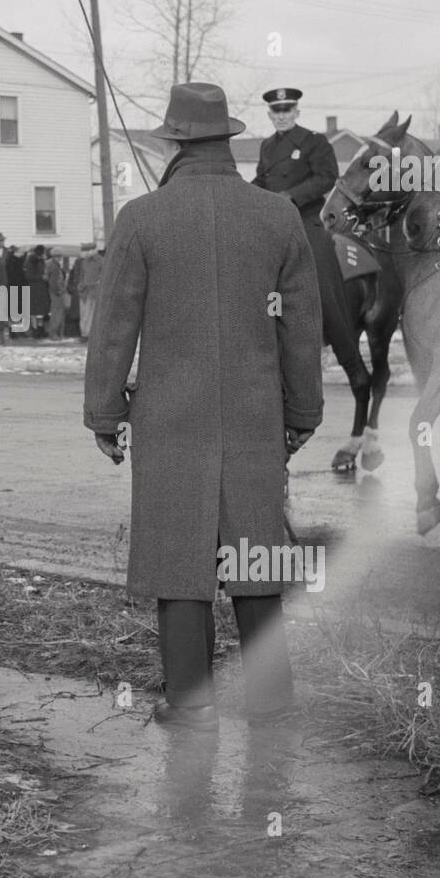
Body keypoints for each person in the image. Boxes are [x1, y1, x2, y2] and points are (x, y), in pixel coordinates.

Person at [85, 82, 323, 728]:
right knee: (256, 553)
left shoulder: (142, 217)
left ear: (175, 142)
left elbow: (114, 329)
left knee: (177, 554)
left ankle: (190, 700)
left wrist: (105, 414)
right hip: (253, 413)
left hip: (169, 413)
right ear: (228, 138)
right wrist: (302, 413)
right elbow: (301, 326)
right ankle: (271, 700)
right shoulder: (276, 215)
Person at [253, 86, 370, 402]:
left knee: (323, 284)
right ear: (269, 115)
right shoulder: (266, 147)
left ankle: (349, 358)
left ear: (296, 112)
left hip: (306, 222)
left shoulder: (314, 142)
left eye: (287, 110)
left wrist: (291, 196)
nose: (282, 116)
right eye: (276, 112)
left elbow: (326, 177)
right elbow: (261, 182)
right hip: (274, 224)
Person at [77, 242, 104, 340]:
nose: (85, 253)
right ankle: (84, 334)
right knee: (84, 314)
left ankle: (91, 335)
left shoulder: (101, 261)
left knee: (93, 314)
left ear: (93, 250)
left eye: (87, 251)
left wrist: (97, 284)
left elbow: (104, 276)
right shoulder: (85, 262)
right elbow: (82, 276)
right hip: (85, 292)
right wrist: (80, 286)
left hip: (95, 292)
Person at [25, 244, 49, 338]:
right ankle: (35, 330)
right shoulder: (31, 261)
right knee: (35, 311)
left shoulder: (41, 261)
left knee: (40, 312)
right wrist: (41, 277)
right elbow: (29, 276)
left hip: (41, 288)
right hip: (34, 288)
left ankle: (40, 328)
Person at [45, 247, 67, 338]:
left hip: (54, 291)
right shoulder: (54, 266)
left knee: (57, 312)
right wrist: (58, 291)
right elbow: (54, 281)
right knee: (57, 313)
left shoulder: (49, 264)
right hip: (56, 292)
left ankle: (57, 332)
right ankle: (54, 332)